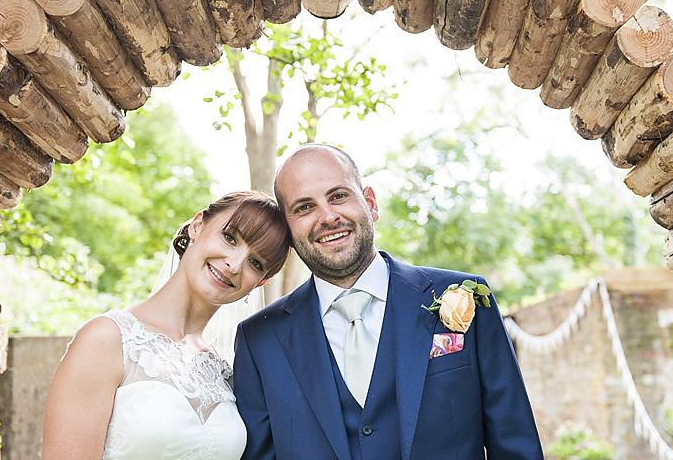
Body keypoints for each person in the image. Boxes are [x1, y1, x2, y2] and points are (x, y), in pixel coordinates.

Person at [233, 145, 544, 460]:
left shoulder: (465, 296)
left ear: (370, 203)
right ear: (288, 228)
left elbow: (516, 444)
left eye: (338, 196)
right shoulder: (259, 340)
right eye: (304, 207)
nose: (327, 217)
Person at [42, 191, 291, 460]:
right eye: (230, 238)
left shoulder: (224, 373)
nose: (234, 265)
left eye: (255, 262)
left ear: (260, 283)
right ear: (197, 226)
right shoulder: (107, 340)